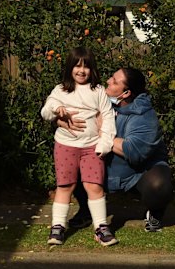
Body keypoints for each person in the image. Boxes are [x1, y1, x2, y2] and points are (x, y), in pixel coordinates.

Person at [59, 67, 173, 232]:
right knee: (72, 158)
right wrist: (62, 122)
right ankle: (87, 209)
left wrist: (102, 133)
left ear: (125, 93)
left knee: (159, 185)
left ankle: (155, 212)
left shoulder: (144, 116)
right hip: (107, 166)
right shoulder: (97, 98)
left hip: (140, 170)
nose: (108, 82)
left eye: (114, 81)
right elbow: (72, 116)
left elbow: (134, 151)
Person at [40, 47, 119, 246]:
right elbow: (45, 112)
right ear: (70, 68)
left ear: (92, 70)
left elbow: (108, 117)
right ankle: (57, 227)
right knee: (65, 186)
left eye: (86, 67)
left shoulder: (98, 90)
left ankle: (101, 227)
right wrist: (57, 110)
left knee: (94, 186)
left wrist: (104, 144)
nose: (81, 71)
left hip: (91, 147)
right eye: (77, 66)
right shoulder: (60, 90)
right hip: (65, 146)